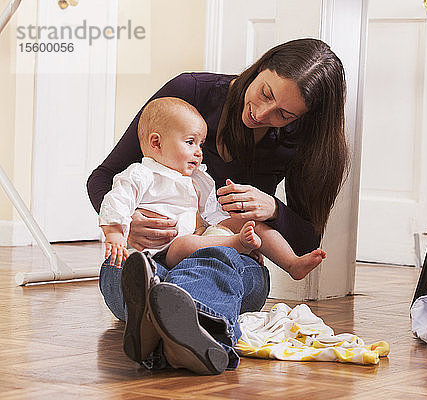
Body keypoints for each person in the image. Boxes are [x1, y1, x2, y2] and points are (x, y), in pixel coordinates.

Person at [87, 38, 349, 375]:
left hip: (226, 263)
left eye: (283, 114)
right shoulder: (190, 93)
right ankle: (192, 337)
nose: (261, 113)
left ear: (302, 119)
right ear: (260, 66)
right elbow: (104, 178)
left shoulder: (302, 142)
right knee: (134, 269)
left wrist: (273, 208)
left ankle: (159, 325)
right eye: (266, 93)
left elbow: (305, 242)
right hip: (145, 256)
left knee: (220, 256)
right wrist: (127, 223)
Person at [100, 96, 327, 280]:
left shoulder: (198, 178)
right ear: (156, 143)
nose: (199, 151)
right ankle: (235, 245)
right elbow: (117, 200)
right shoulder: (142, 174)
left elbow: (210, 215)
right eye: (190, 142)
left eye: (201, 144)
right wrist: (115, 233)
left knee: (246, 223)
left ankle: (291, 262)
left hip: (199, 236)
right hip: (166, 251)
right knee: (184, 244)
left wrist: (232, 225)